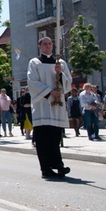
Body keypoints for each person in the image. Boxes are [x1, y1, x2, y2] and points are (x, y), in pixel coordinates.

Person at [27, 37, 72, 179]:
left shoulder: (60, 63)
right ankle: (46, 169)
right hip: (42, 106)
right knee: (43, 139)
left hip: (57, 106)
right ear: (39, 46)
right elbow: (32, 82)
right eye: (45, 44)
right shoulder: (35, 62)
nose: (48, 46)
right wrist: (50, 92)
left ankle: (58, 165)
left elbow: (68, 83)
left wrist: (61, 74)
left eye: (50, 44)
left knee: (55, 137)